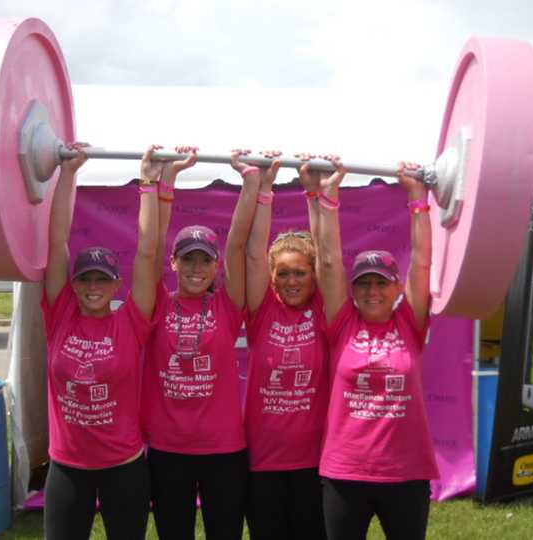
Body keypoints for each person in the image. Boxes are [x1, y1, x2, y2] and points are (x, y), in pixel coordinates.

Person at [40, 144, 193, 540]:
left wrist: (148, 183)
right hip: (67, 467)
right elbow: (56, 243)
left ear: (115, 285)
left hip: (123, 467)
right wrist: (69, 174)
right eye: (85, 279)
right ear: (73, 285)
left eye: (101, 280)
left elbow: (147, 253)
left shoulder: (131, 322)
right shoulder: (60, 316)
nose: (93, 287)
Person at [302, 156, 439, 540]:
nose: (372, 291)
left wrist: (418, 198)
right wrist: (327, 198)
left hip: (407, 472)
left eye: (382, 283)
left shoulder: (409, 323)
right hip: (346, 472)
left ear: (397, 288)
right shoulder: (342, 323)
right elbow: (328, 261)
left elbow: (423, 264)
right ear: (354, 289)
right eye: (364, 283)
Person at [141, 148, 261, 539]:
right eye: (187, 259)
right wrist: (163, 184)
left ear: (215, 267)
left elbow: (239, 245)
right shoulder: (157, 303)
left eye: (204, 260)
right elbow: (151, 246)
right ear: (174, 263)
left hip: (223, 451)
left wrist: (251, 184)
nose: (196, 268)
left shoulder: (228, 307)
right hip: (168, 450)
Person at [241, 150, 329, 540]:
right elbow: (253, 255)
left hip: (314, 462)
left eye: (300, 273)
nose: (292, 281)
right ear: (273, 278)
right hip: (263, 461)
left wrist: (315, 195)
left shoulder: (326, 312)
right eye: (283, 274)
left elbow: (329, 257)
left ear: (312, 277)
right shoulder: (262, 311)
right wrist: (264, 191)